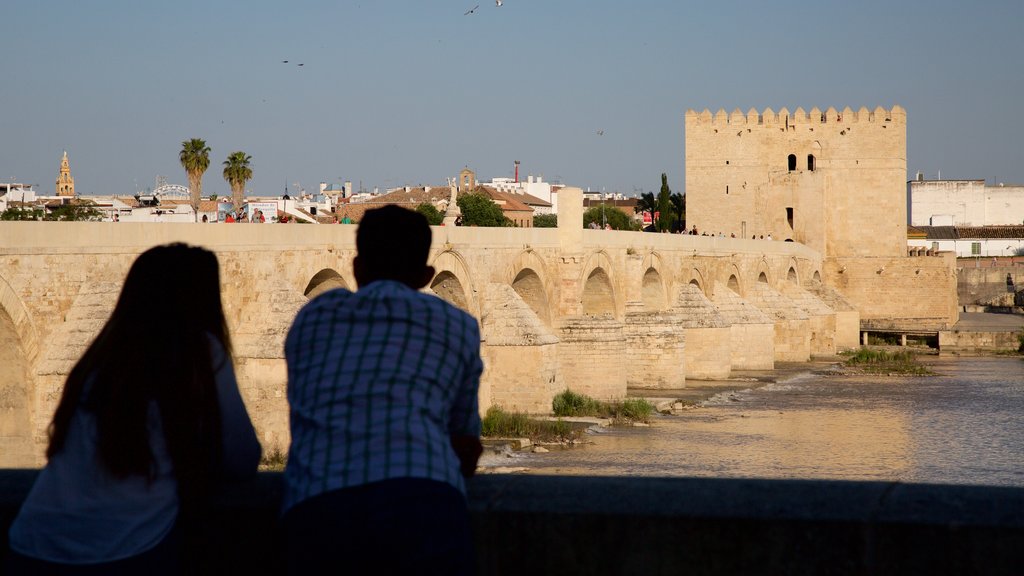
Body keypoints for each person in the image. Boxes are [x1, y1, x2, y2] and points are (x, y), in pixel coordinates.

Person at [6, 244, 261, 575]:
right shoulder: (198, 351)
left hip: (31, 545)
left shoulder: (99, 358)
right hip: (123, 551)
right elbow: (242, 456)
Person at [283, 205, 483, 575]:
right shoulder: (457, 324)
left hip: (319, 513)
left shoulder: (313, 317)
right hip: (424, 509)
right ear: (427, 275)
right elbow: (466, 447)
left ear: (357, 268)